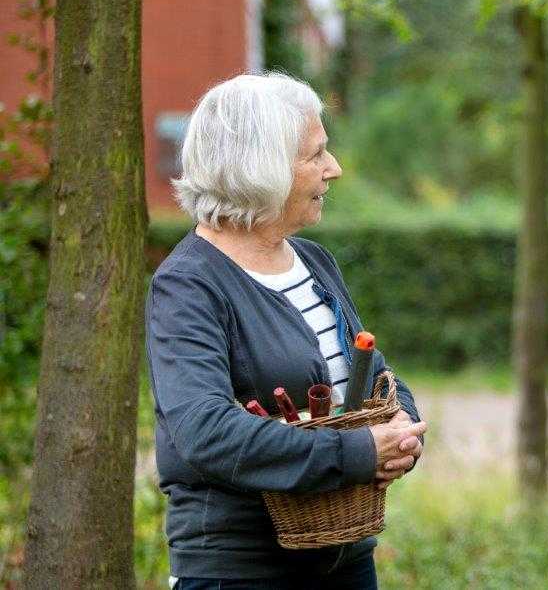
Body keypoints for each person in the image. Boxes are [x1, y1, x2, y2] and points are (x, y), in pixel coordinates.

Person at [146, 73, 426, 589]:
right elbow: (204, 431)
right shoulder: (188, 286)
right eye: (315, 155)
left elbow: (370, 373)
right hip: (242, 568)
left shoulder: (314, 262)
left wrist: (402, 425)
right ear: (261, 167)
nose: (333, 169)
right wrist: (359, 454)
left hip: (346, 558)